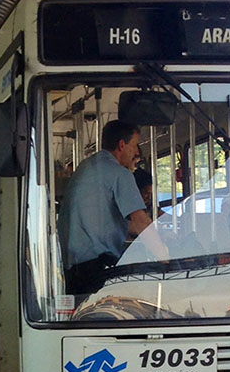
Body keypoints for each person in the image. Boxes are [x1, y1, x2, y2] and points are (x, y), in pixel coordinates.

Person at [57, 120, 169, 294]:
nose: (136, 151)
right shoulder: (120, 173)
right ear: (122, 145)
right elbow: (140, 222)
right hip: (96, 269)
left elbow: (101, 219)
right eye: (134, 145)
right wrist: (165, 257)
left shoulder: (86, 167)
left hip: (71, 268)